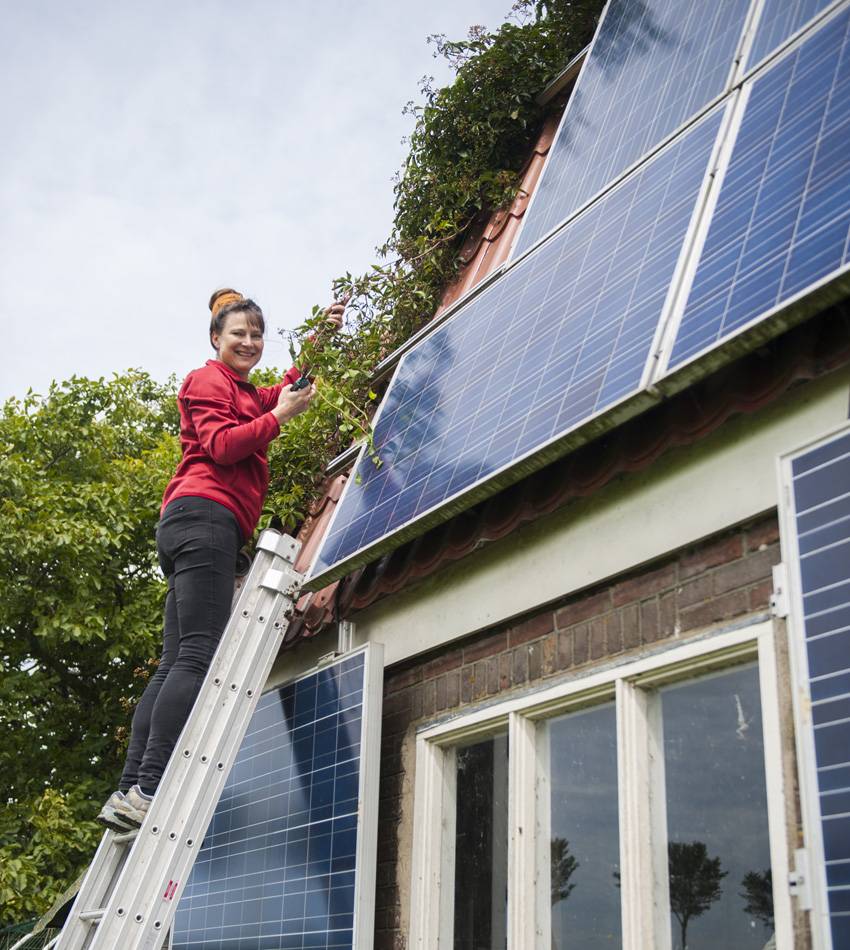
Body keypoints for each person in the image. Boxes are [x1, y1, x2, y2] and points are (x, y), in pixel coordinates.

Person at [97, 288, 342, 831]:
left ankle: (129, 790)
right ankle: (150, 787)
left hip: (196, 522)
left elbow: (285, 389)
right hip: (205, 516)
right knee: (198, 655)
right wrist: (279, 416)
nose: (250, 342)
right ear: (216, 338)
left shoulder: (244, 391)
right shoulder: (207, 380)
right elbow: (224, 445)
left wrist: (322, 338)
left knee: (174, 660)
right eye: (239, 334)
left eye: (257, 335)